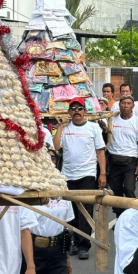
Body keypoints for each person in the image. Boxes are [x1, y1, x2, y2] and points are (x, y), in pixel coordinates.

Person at [54, 97, 107, 259]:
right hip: (67, 175)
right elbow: (56, 147)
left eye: (80, 108)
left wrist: (102, 173)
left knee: (85, 212)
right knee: (71, 212)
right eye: (73, 108)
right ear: (69, 112)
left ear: (85, 111)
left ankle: (84, 245)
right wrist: (61, 127)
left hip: (87, 174)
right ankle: (75, 243)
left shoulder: (93, 128)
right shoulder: (65, 128)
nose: (77, 111)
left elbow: (100, 152)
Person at [107, 95, 138, 218]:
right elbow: (105, 134)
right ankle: (119, 216)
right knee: (116, 191)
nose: (126, 106)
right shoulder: (112, 120)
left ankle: (133, 215)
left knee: (129, 189)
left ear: (133, 106)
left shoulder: (137, 122)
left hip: (130, 161)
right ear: (119, 105)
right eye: (123, 103)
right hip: (114, 160)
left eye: (129, 103)